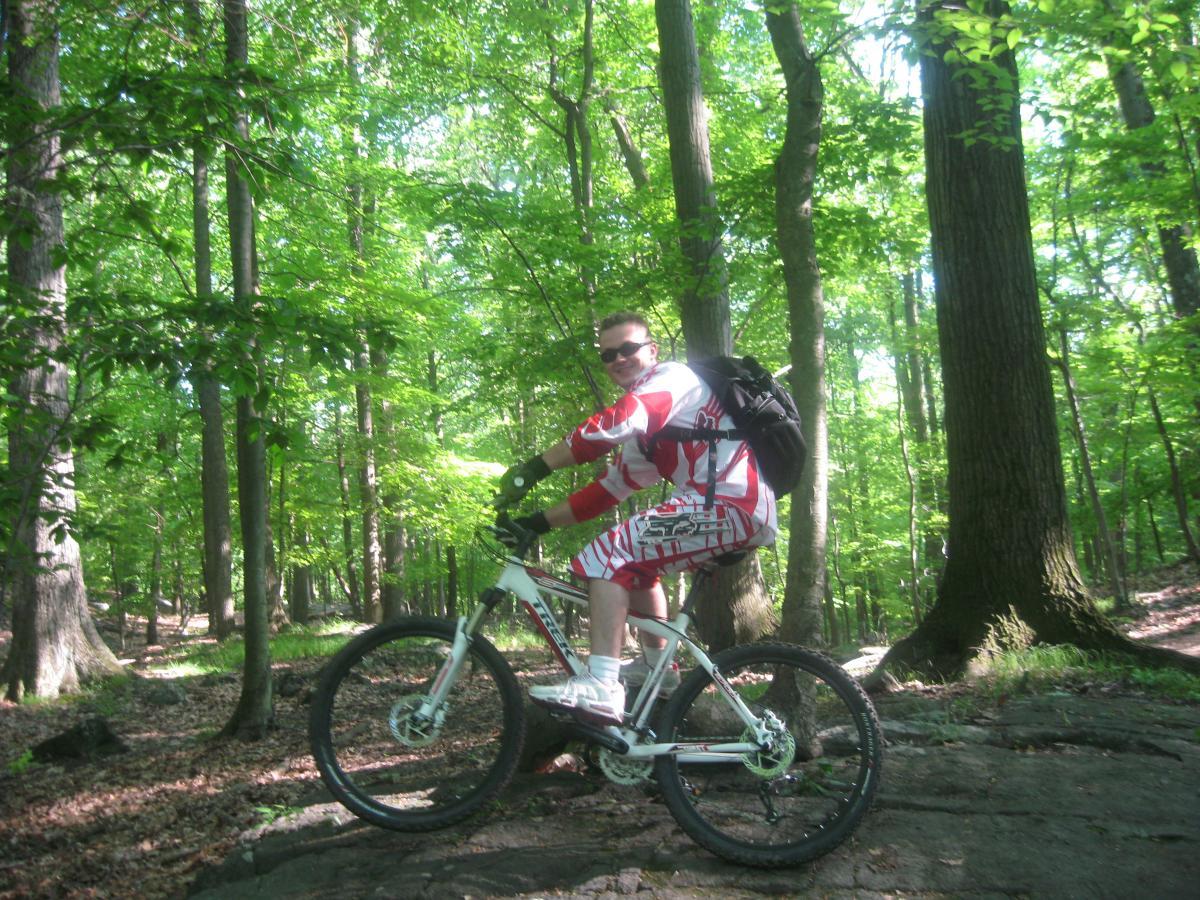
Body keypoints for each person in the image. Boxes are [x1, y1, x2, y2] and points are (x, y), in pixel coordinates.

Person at [498, 311, 777, 724]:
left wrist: (536, 467)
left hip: (730, 503)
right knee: (638, 567)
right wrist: (535, 522)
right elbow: (609, 490)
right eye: (608, 355)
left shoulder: (671, 379)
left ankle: (601, 685)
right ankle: (656, 669)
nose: (618, 359)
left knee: (608, 555)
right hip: (721, 507)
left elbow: (615, 423)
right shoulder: (647, 433)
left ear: (652, 350)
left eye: (628, 349)